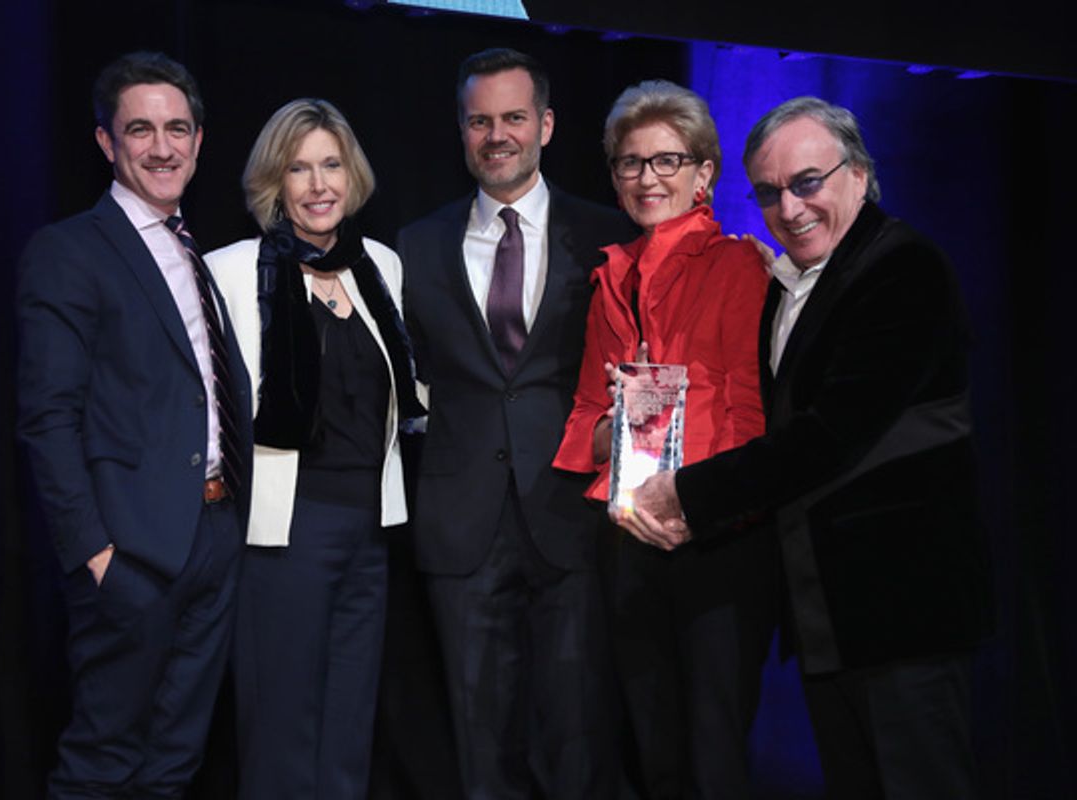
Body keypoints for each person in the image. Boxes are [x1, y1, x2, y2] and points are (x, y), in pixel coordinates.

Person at [618, 96, 994, 799]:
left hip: (903, 613)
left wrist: (685, 495)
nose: (789, 208)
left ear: (859, 173)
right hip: (837, 619)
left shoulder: (903, 270)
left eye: (807, 182)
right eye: (769, 193)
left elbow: (826, 439)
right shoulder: (793, 283)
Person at [396, 47, 637, 798]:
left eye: (512, 118)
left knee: (575, 741)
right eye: (479, 121)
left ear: (546, 124)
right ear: (462, 131)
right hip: (459, 526)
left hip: (571, 516)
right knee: (478, 746)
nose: (496, 135)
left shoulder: (607, 237)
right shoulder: (416, 244)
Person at [16, 51, 253, 797]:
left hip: (214, 538)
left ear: (199, 139)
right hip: (131, 558)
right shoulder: (70, 251)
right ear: (106, 143)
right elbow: (48, 418)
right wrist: (94, 554)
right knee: (102, 761)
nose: (162, 146)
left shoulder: (194, 251)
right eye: (140, 129)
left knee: (173, 763)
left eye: (176, 128)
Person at [552, 80, 775, 798]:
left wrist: (697, 509)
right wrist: (618, 426)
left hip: (715, 538)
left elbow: (748, 418)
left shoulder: (741, 265)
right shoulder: (609, 278)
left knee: (714, 757)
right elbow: (583, 431)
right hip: (628, 540)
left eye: (667, 161)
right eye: (630, 163)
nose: (647, 178)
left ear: (705, 172)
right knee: (654, 755)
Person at [204, 98, 424, 800]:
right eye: (299, 168)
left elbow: (402, 394)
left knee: (348, 723)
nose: (319, 183)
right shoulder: (233, 269)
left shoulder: (380, 267)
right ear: (276, 181)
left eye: (331, 164)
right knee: (282, 724)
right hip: (284, 532)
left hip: (370, 531)